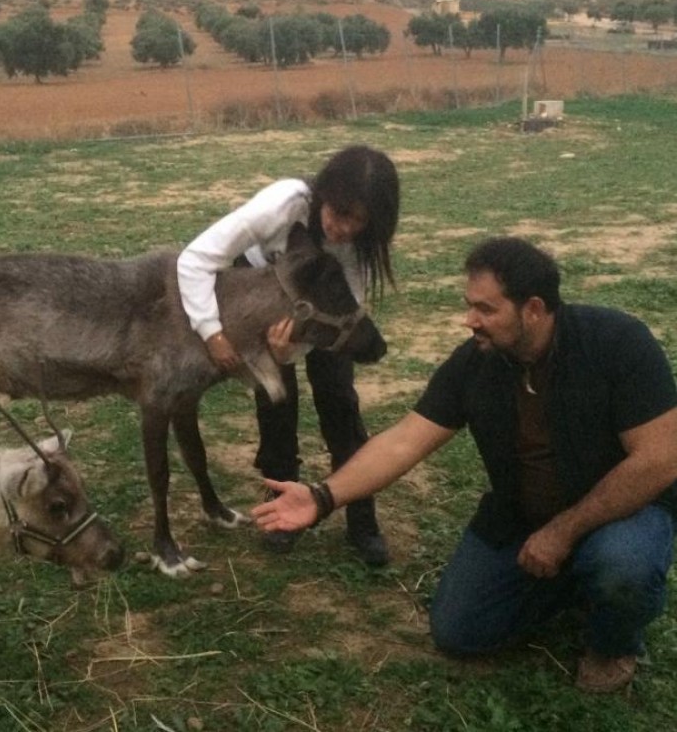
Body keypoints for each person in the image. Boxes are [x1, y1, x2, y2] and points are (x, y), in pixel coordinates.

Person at [252, 236, 677, 692]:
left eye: (485, 309)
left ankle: (613, 642)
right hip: (521, 517)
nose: (469, 320)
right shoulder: (476, 362)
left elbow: (660, 460)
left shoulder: (616, 342)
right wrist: (322, 497)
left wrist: (562, 533)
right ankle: (575, 582)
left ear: (533, 309)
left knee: (622, 566)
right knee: (460, 631)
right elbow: (404, 442)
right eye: (469, 305)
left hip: (620, 514)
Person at [177, 145, 400, 566]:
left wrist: (294, 348)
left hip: (325, 306)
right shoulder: (283, 204)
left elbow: (345, 315)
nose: (344, 228)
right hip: (264, 294)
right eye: (340, 212)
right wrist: (212, 332)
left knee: (339, 399)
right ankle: (281, 505)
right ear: (325, 192)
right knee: (276, 403)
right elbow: (194, 260)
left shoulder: (358, 246)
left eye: (359, 220)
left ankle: (362, 519)